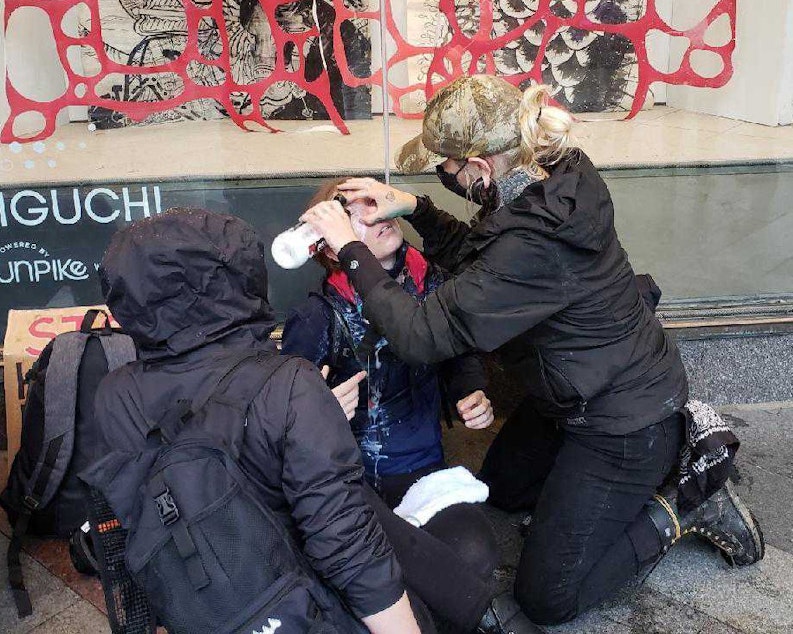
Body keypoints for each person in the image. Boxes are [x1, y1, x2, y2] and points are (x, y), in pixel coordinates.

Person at [298, 75, 765, 626]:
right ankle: (597, 499)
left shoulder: (533, 239)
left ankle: (686, 501)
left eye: (443, 169)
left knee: (548, 598)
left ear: (477, 167)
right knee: (506, 488)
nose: (440, 177)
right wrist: (413, 206)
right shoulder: (550, 177)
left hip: (622, 421)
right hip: (578, 390)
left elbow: (424, 335)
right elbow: (480, 261)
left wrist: (353, 248)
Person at [93, 207, 541, 634]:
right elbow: (350, 549)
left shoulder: (114, 394)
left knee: (454, 546)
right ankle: (490, 614)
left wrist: (467, 387)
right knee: (430, 556)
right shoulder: (289, 376)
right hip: (294, 600)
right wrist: (317, 417)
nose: (376, 218)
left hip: (205, 599)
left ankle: (488, 612)